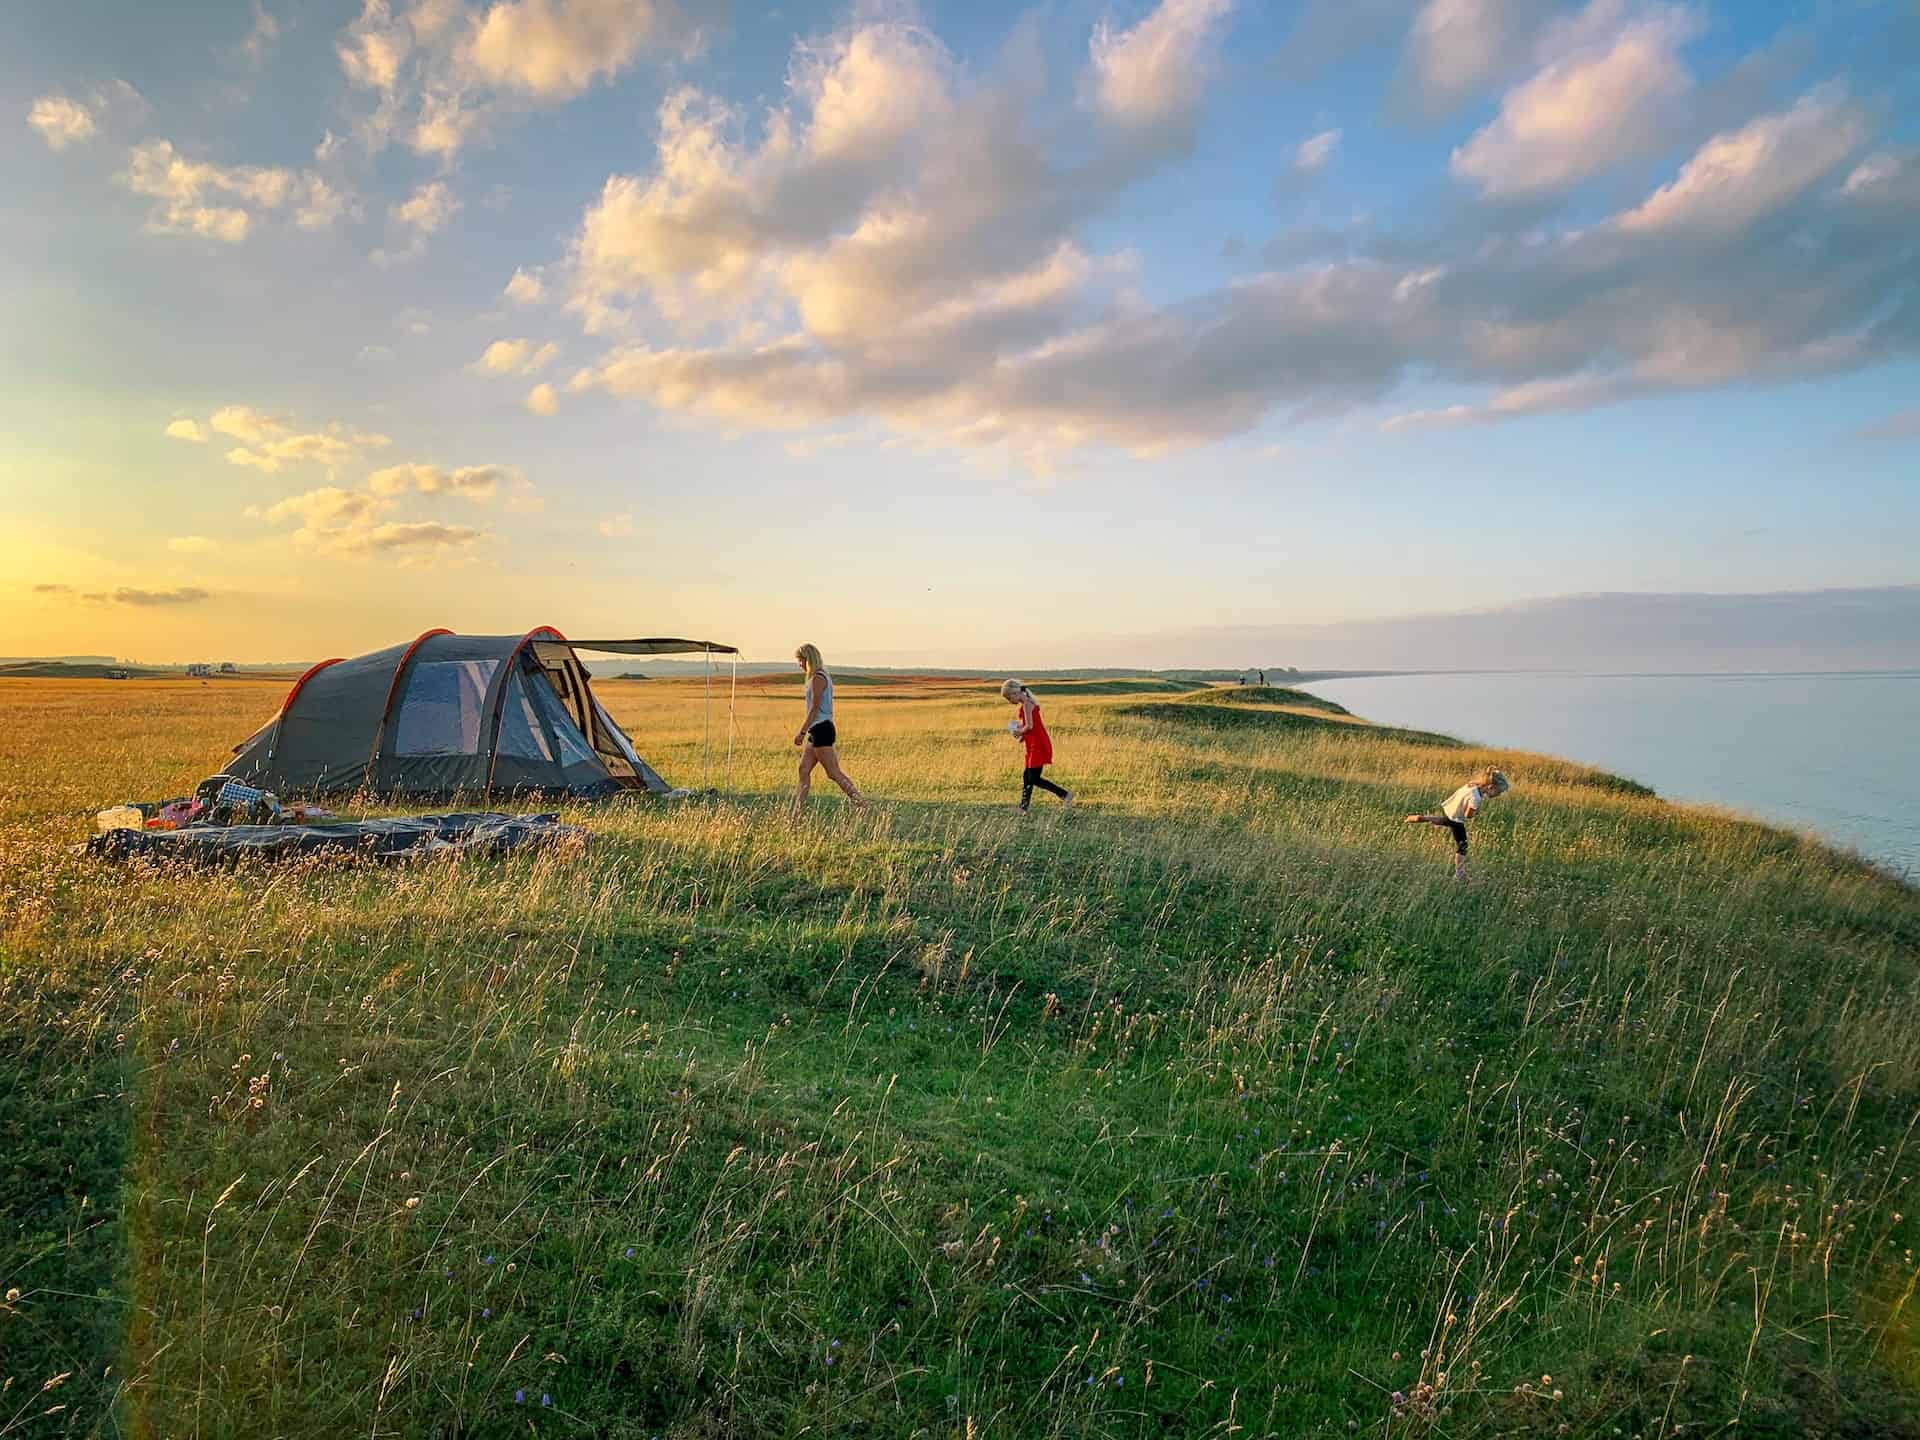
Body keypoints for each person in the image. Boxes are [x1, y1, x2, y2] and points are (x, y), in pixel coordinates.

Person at [792, 643, 865, 814]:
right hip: (816, 730)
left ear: (808, 659)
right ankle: (798, 810)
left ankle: (860, 803)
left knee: (833, 773)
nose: (799, 665)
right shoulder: (818, 676)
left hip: (821, 729)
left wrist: (802, 732)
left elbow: (815, 708)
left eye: (801, 661)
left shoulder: (818, 677)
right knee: (803, 769)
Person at [1405, 767, 1510, 880]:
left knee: (1444, 821)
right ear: (1490, 787)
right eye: (1498, 792)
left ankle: (1421, 818)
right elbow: (1468, 815)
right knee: (1463, 845)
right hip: (1457, 819)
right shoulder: (1476, 799)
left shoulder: (1472, 785)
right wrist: (1476, 812)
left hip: (1451, 809)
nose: (1498, 795)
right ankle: (1459, 873)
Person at [1001, 679, 1074, 814]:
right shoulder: (1027, 703)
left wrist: (1019, 731)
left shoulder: (1027, 705)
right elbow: (1029, 727)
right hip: (1033, 743)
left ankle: (1065, 795)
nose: (1010, 701)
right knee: (1027, 775)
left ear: (1015, 693)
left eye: (1009, 698)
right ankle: (1023, 807)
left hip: (1038, 744)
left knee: (1033, 778)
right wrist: (1022, 734)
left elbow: (1030, 726)